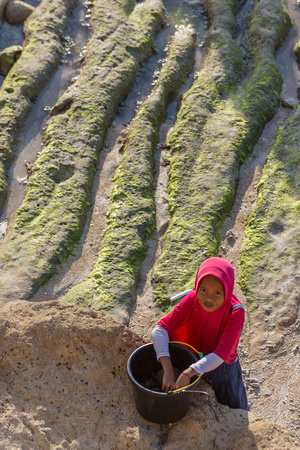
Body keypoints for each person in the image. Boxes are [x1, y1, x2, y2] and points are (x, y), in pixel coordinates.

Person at [152, 257, 249, 410]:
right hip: (192, 359)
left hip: (220, 372)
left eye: (217, 293)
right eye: (203, 290)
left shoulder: (235, 312)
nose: (209, 298)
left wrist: (187, 374)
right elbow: (160, 330)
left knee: (233, 411)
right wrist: (168, 369)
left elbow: (220, 355)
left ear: (228, 290)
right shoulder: (192, 298)